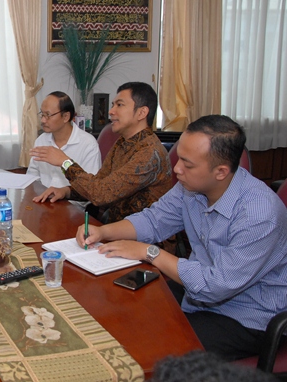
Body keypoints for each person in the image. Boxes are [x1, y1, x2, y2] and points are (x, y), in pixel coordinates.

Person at [77, 115, 287, 361]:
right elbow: (154, 220)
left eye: (187, 164)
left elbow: (215, 286)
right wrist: (104, 231)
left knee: (154, 346)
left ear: (220, 171)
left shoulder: (259, 213)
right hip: (196, 290)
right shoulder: (193, 186)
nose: (177, 169)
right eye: (179, 158)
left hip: (248, 315)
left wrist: (150, 252)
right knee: (122, 308)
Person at [30, 82, 172, 230]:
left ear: (142, 113)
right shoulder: (122, 143)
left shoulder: (149, 153)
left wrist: (65, 162)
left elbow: (101, 194)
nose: (111, 111)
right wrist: (66, 191)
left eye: (119, 105)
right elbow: (98, 184)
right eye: (113, 105)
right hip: (115, 228)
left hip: (142, 237)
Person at [26, 91, 101, 188]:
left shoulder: (88, 144)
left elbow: (91, 187)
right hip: (44, 196)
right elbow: (32, 177)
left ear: (66, 117)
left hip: (72, 198)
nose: (43, 120)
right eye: (42, 114)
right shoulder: (41, 140)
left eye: (48, 115)